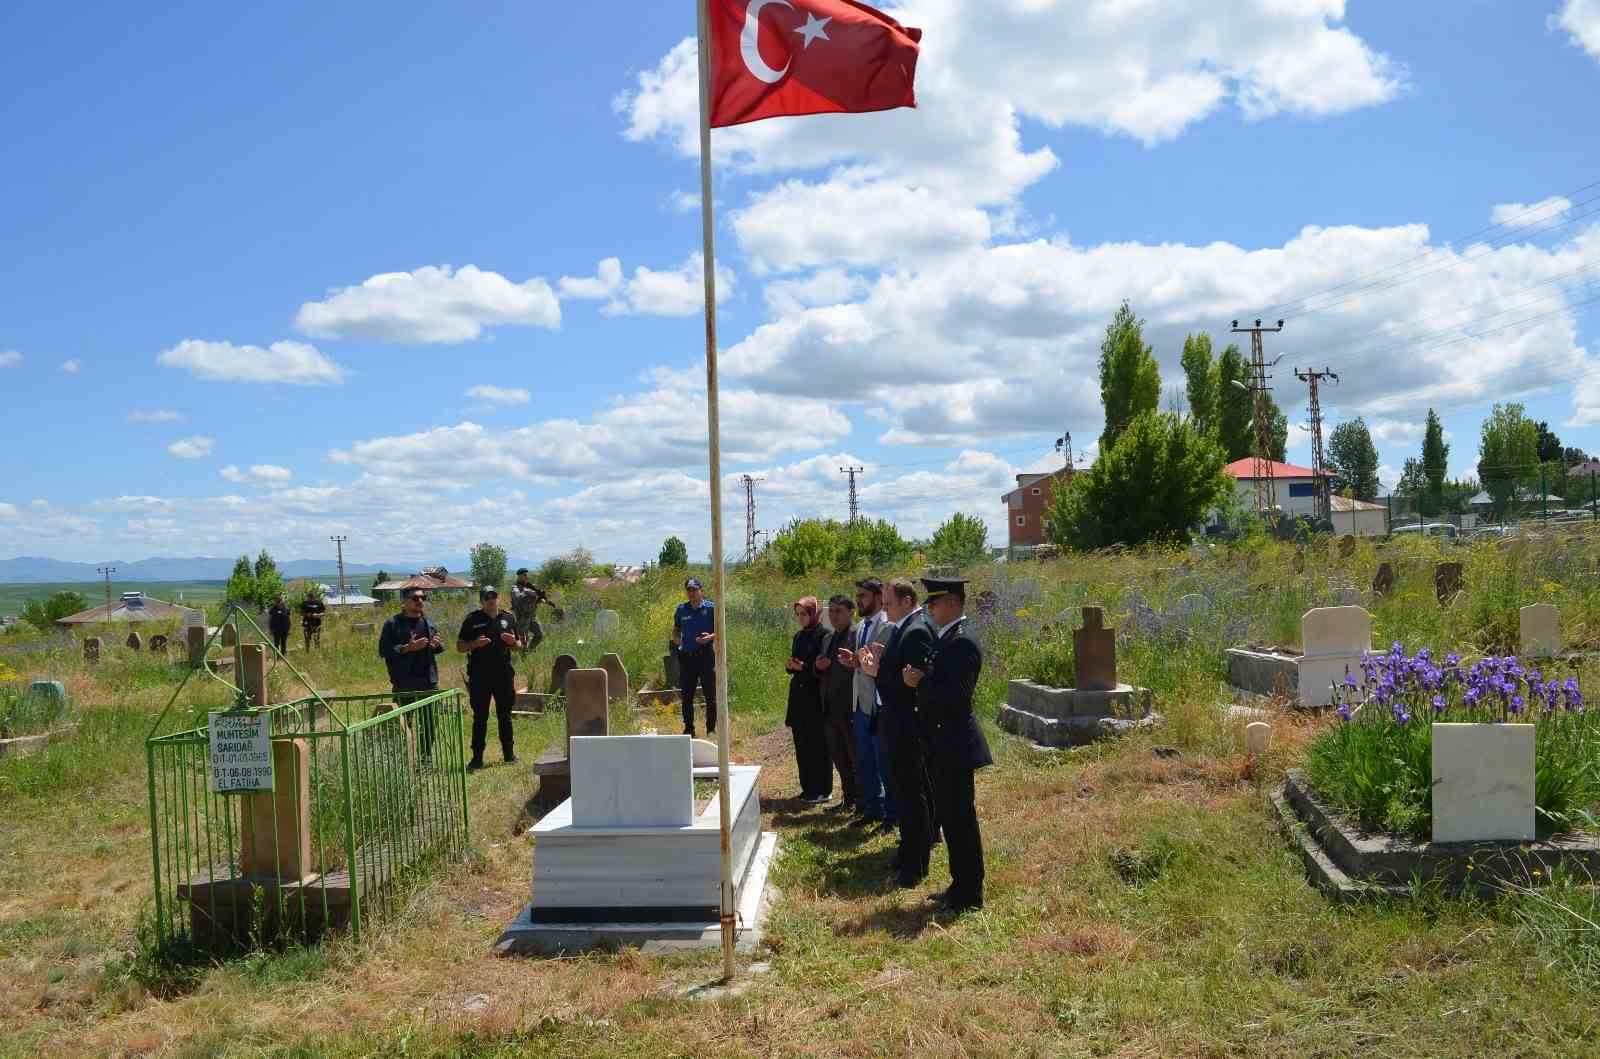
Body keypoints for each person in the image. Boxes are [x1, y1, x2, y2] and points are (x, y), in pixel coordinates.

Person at [906, 576, 992, 912]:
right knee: (951, 819)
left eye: (935, 602)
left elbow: (957, 697)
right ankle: (960, 884)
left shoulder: (962, 642)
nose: (929, 609)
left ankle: (970, 893)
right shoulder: (946, 639)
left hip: (955, 744)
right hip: (942, 744)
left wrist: (920, 681)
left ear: (954, 603)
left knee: (960, 820)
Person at [860, 577, 935, 887]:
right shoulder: (902, 627)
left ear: (906, 601)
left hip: (906, 725)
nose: (885, 608)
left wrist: (876, 673)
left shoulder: (916, 630)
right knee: (906, 792)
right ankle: (909, 850)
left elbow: (912, 688)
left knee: (911, 793)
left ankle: (915, 863)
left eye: (889, 603)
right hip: (896, 722)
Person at [836, 577, 895, 831]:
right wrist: (853, 662)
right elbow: (865, 662)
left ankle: (891, 816)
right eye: (858, 595)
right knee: (865, 758)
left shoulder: (888, 625)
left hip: (879, 703)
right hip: (860, 701)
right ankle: (872, 809)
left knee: (884, 761)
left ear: (879, 597)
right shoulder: (861, 627)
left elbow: (884, 665)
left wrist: (864, 663)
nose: (859, 600)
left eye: (863, 596)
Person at [456, 585, 521, 770]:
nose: (491, 600)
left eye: (493, 596)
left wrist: (513, 643)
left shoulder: (508, 618)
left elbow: (519, 644)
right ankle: (477, 758)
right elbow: (460, 646)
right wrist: (475, 644)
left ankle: (509, 755)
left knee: (505, 716)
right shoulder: (472, 619)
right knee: (480, 717)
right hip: (480, 676)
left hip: (503, 675)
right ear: (482, 601)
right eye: (487, 597)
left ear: (498, 598)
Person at [377, 588, 446, 758]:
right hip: (404, 682)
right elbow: (384, 651)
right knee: (402, 723)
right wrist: (407, 648)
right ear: (404, 601)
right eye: (415, 597)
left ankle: (425, 759)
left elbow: (438, 647)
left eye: (423, 597)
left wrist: (437, 645)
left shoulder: (428, 622)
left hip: (428, 682)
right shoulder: (393, 623)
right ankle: (401, 761)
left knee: (429, 724)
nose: (420, 600)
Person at [785, 596, 832, 803]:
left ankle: (822, 788)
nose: (801, 618)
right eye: (798, 614)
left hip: (815, 696)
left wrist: (803, 667)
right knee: (802, 744)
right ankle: (808, 787)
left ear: (814, 613)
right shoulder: (798, 636)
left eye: (804, 614)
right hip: (799, 697)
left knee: (818, 745)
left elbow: (822, 667)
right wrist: (791, 665)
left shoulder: (824, 636)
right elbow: (795, 664)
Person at [816, 594, 859, 814]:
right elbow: (820, 668)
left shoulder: (856, 635)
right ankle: (849, 797)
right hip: (830, 706)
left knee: (855, 756)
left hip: (850, 706)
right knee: (839, 756)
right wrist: (819, 665)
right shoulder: (828, 638)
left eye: (838, 611)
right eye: (830, 611)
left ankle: (863, 801)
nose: (833, 616)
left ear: (851, 612)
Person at [672, 577, 717, 737]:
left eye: (694, 590)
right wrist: (676, 638)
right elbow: (676, 629)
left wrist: (710, 637)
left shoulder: (711, 608)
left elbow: (720, 631)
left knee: (710, 694)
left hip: (705, 656)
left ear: (701, 591)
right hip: (687, 657)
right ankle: (689, 729)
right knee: (687, 696)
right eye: (689, 590)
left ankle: (711, 729)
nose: (691, 593)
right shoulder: (681, 609)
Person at [510, 568, 548, 655]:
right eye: (525, 575)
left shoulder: (529, 587)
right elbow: (518, 597)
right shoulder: (515, 588)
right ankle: (524, 657)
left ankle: (529, 651)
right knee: (523, 640)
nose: (527, 577)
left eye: (527, 575)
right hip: (522, 618)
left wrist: (539, 599)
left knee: (539, 635)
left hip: (532, 616)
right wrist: (528, 592)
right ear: (519, 576)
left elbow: (532, 600)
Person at [299, 587, 326, 651]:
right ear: (308, 597)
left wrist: (319, 615)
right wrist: (308, 614)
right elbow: (301, 613)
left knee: (316, 638)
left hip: (317, 624)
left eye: (312, 598)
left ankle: (317, 651)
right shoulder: (304, 603)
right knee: (307, 639)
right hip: (307, 624)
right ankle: (307, 651)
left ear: (314, 597)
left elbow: (323, 612)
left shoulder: (319, 603)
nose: (311, 599)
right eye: (310, 598)